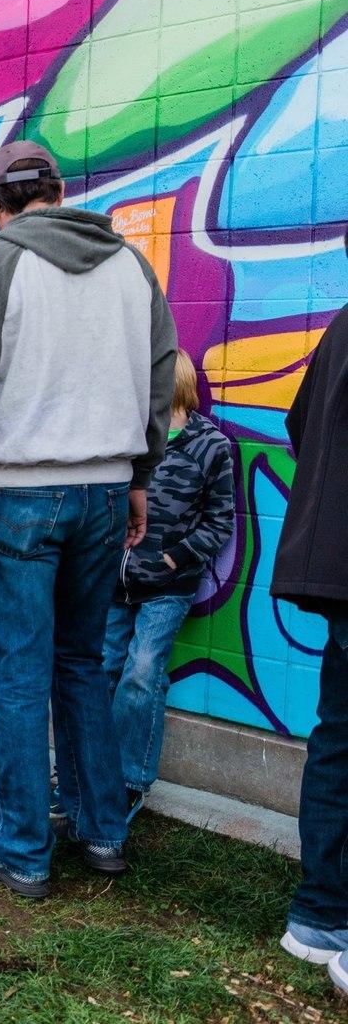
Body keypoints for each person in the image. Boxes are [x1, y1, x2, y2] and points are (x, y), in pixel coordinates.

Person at [0, 140, 177, 899]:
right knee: (80, 666)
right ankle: (102, 832)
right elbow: (158, 379)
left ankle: (22, 846)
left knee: (25, 673)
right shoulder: (132, 266)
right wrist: (139, 479)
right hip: (105, 491)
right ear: (61, 191)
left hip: (22, 494)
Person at [93, 351, 235, 821]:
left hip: (168, 587)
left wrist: (174, 558)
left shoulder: (209, 445)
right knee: (105, 669)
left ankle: (131, 778)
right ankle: (92, 771)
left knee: (143, 671)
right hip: (114, 583)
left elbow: (220, 522)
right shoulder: (128, 438)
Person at [270, 233, 348, 997]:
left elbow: (299, 427)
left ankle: (322, 911)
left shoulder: (340, 324)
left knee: (337, 738)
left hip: (332, 565)